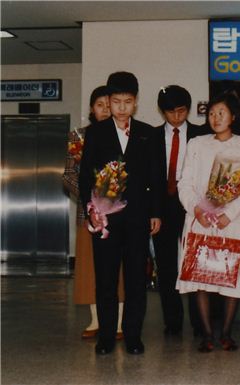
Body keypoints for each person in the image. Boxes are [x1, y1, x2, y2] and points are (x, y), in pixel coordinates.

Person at [79, 71, 163, 355]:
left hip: (138, 218)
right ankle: (105, 336)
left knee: (137, 280)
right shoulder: (95, 133)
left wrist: (155, 213)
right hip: (106, 219)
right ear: (109, 102)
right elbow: (84, 178)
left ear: (136, 103)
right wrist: (90, 211)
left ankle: (133, 336)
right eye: (116, 102)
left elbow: (156, 177)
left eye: (128, 101)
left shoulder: (148, 133)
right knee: (105, 279)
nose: (122, 107)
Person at [176, 93, 240, 352]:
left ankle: (227, 333)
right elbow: (185, 182)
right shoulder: (197, 143)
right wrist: (196, 208)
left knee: (230, 277)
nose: (216, 118)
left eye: (221, 113)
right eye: (211, 113)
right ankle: (207, 334)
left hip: (230, 222)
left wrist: (229, 213)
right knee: (202, 277)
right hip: (201, 219)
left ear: (233, 116)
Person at [62, 86, 124, 341]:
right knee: (90, 268)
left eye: (108, 105)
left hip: (119, 213)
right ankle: (95, 320)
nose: (105, 110)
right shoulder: (78, 136)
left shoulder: (123, 134)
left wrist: (112, 194)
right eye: (99, 105)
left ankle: (119, 323)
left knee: (117, 269)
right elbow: (69, 175)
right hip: (89, 216)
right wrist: (93, 196)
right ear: (91, 108)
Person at [152, 85, 210, 336]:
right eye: (170, 112)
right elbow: (149, 179)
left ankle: (201, 321)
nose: (176, 117)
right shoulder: (150, 137)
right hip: (162, 205)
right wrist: (152, 211)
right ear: (162, 112)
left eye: (181, 111)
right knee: (166, 265)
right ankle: (172, 321)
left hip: (194, 204)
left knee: (196, 262)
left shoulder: (202, 135)